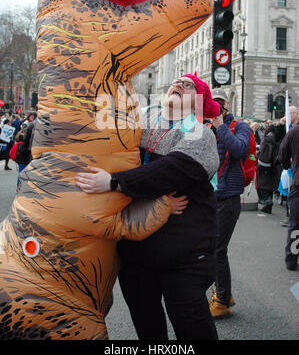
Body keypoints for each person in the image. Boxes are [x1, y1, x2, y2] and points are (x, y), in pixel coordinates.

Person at [75, 74, 221, 340]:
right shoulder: (141, 129)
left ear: (199, 103)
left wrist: (114, 182)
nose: (178, 84)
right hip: (136, 257)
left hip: (183, 260)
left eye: (189, 86)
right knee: (148, 331)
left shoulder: (202, 135)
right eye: (177, 81)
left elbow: (173, 170)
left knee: (193, 329)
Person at [208, 88, 251, 319]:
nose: (216, 108)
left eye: (219, 104)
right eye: (212, 104)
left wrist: (220, 127)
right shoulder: (204, 126)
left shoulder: (239, 126)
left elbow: (240, 150)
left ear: (226, 106)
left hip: (229, 197)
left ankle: (223, 300)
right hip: (209, 197)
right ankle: (224, 291)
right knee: (210, 247)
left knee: (218, 249)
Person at [278, 121, 299, 271]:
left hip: (298, 182)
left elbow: (282, 153)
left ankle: (292, 259)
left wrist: (287, 165)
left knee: (296, 224)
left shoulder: (295, 131)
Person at [256, 125, 281, 214]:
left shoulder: (267, 139)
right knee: (270, 185)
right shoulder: (277, 139)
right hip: (274, 165)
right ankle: (268, 206)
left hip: (264, 164)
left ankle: (267, 202)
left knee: (262, 184)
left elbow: (262, 152)